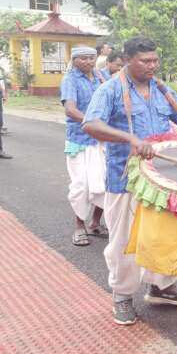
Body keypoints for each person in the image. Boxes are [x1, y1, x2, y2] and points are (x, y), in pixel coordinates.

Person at [82, 36, 177, 325]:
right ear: (126, 60)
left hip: (163, 180)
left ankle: (161, 288)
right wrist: (130, 138)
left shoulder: (162, 89)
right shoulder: (110, 89)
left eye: (154, 60)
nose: (152, 65)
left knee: (163, 235)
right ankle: (122, 296)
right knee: (124, 240)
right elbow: (90, 124)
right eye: (145, 61)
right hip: (125, 180)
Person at [61, 46, 107, 247]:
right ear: (74, 60)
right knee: (81, 185)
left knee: (105, 183)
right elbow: (70, 110)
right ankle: (79, 226)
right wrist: (92, 122)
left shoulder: (102, 77)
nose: (88, 62)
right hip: (79, 140)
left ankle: (95, 223)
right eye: (83, 58)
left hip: (103, 138)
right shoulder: (70, 79)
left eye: (91, 58)